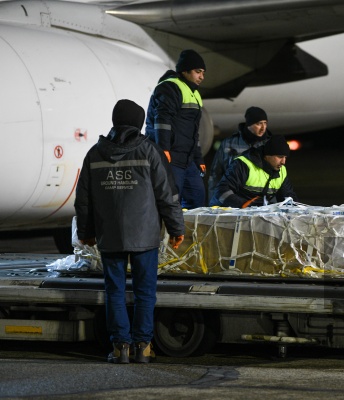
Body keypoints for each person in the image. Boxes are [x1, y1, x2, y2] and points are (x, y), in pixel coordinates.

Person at [75, 99, 185, 364]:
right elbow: (166, 194)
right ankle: (143, 347)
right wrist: (176, 227)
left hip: (109, 236)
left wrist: (86, 231)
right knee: (144, 293)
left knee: (114, 291)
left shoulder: (94, 153)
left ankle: (120, 348)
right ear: (138, 122)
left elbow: (84, 199)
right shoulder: (149, 151)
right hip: (145, 236)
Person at [146, 49, 207, 209]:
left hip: (187, 159)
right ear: (185, 71)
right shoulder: (169, 88)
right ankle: (170, 233)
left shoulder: (195, 93)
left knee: (197, 196)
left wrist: (198, 159)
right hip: (171, 157)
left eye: (203, 73)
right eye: (198, 72)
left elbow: (194, 133)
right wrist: (164, 149)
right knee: (170, 201)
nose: (202, 77)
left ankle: (185, 233)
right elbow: (162, 120)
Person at [209, 135, 298, 208]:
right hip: (224, 213)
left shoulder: (281, 170)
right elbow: (221, 191)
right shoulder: (244, 164)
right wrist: (244, 204)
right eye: (280, 157)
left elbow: (288, 196)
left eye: (285, 157)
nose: (283, 162)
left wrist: (293, 206)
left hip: (252, 213)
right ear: (267, 155)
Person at [207, 106, 272, 200]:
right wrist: (214, 201)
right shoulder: (229, 144)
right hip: (233, 197)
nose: (263, 128)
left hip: (260, 199)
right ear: (249, 124)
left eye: (265, 123)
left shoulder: (269, 145)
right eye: (259, 124)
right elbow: (216, 175)